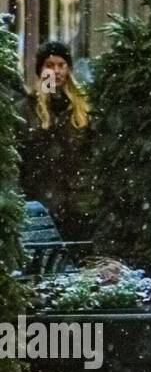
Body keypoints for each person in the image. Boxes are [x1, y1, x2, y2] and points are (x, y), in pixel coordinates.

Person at [21, 40, 93, 241]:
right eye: (50, 65)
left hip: (78, 206)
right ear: (40, 70)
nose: (57, 71)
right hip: (41, 206)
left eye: (62, 65)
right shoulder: (28, 109)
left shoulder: (84, 108)